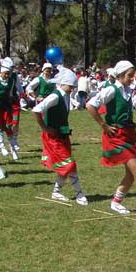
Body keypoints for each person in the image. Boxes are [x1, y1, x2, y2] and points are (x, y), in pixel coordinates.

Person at [86, 60, 136, 218]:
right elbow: (90, 105)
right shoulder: (112, 90)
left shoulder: (128, 90)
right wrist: (104, 125)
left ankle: (116, 202)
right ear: (120, 75)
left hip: (129, 134)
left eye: (133, 75)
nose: (132, 78)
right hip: (116, 136)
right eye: (129, 75)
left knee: (130, 173)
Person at [33, 66, 88, 205]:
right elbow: (37, 110)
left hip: (63, 135)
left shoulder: (66, 96)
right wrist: (45, 128)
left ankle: (57, 192)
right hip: (53, 138)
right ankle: (79, 193)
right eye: (71, 86)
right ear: (62, 84)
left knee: (66, 165)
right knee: (69, 164)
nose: (73, 89)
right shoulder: (55, 96)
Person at [0, 57, 23, 160]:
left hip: (5, 105)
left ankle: (13, 148)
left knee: (8, 126)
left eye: (8, 73)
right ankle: (1, 145)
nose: (7, 75)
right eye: (5, 73)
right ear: (1, 72)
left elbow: (11, 93)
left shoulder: (11, 81)